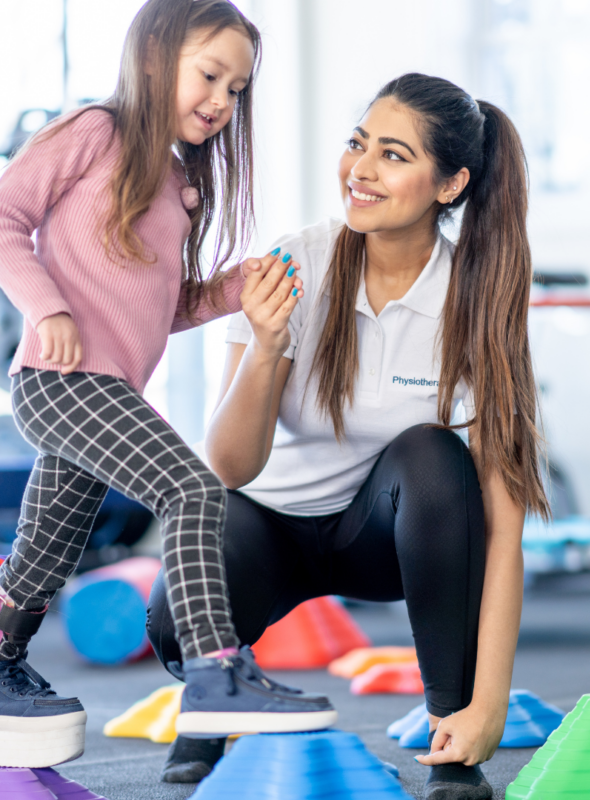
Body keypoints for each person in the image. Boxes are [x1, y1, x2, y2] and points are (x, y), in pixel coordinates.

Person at [147, 72, 550, 797]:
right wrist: (267, 346)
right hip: (266, 524)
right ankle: (214, 696)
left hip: (383, 540)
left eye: (393, 155)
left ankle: (450, 732)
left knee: (434, 456)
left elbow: (504, 527)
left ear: (450, 184)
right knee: (174, 615)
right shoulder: (296, 263)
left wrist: (488, 703)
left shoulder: (476, 297)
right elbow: (229, 468)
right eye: (358, 144)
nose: (360, 169)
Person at [0, 0, 335, 771]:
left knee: (47, 548)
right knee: (193, 489)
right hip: (61, 380)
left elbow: (161, 306)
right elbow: (6, 216)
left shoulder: (177, 183)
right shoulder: (93, 132)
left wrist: (231, 288)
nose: (221, 101)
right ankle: (218, 673)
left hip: (102, 389)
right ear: (154, 57)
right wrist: (47, 307)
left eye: (236, 89)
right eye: (209, 75)